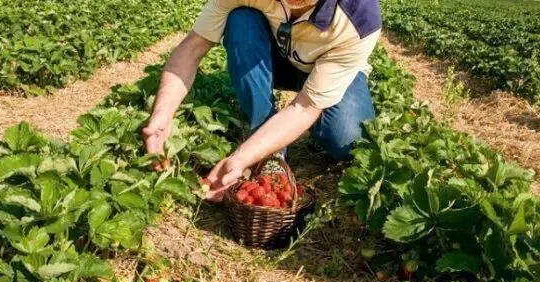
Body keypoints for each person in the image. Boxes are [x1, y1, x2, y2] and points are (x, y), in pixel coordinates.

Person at [142, 0, 382, 201]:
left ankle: (317, 119)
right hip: (276, 55)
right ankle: (268, 144)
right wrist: (162, 114)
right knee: (242, 20)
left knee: (348, 140)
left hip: (330, 66)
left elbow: (304, 106)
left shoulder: (360, 18)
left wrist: (240, 157)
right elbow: (192, 49)